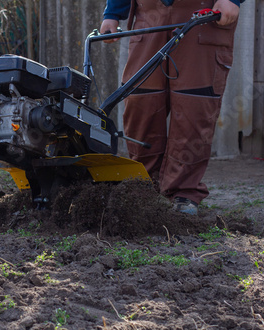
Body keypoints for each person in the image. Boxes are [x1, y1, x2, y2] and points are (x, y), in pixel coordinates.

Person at [100, 0, 243, 215]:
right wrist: (112, 12)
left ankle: (183, 192)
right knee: (142, 99)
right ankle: (143, 187)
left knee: (194, 103)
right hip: (149, 15)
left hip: (202, 14)